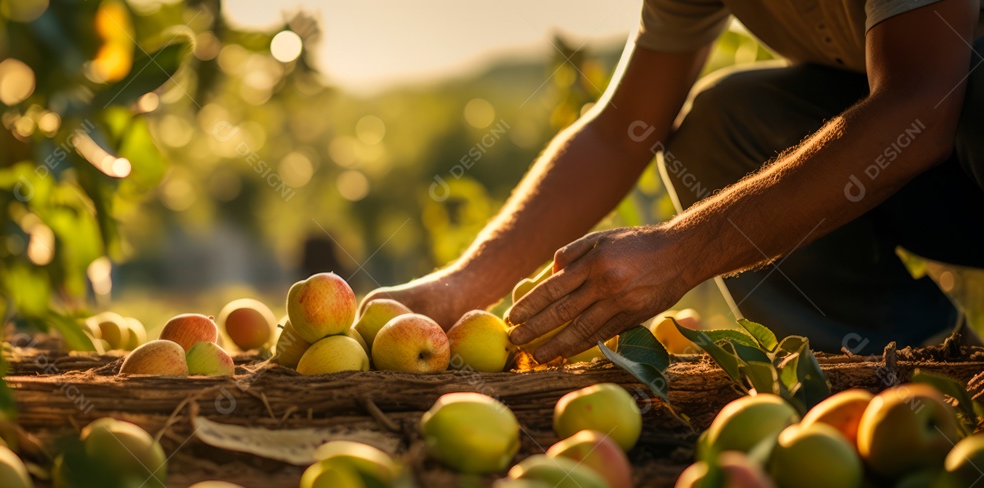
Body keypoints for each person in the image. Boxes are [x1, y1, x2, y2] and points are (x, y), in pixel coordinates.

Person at [366, 0, 984, 359]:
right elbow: (621, 129)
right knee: (728, 122)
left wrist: (680, 254)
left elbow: (923, 102)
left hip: (958, 130)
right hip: (946, 183)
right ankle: (900, 368)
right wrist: (464, 286)